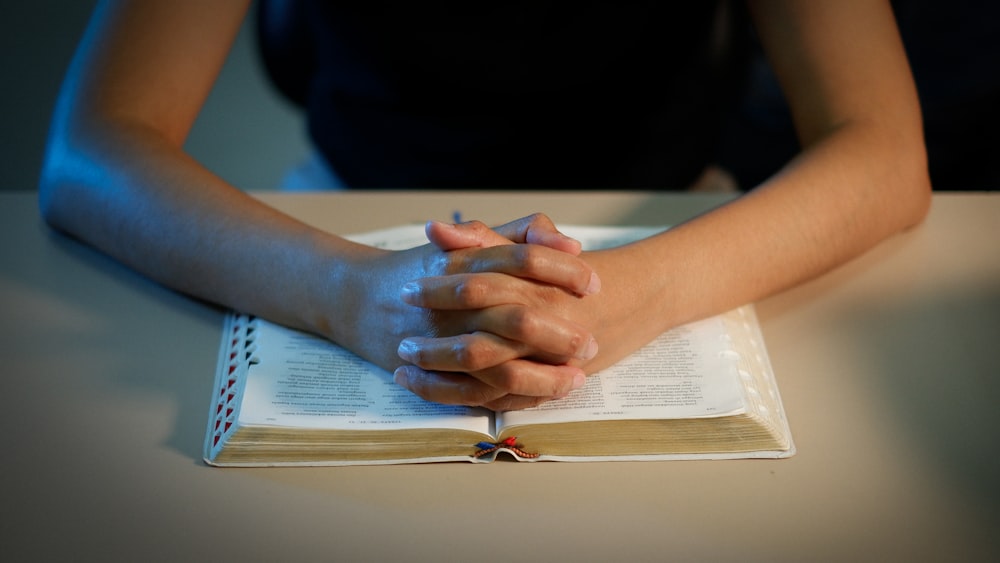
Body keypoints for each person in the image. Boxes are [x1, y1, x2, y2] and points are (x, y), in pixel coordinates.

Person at [39, 1, 931, 411]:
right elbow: (91, 148)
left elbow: (885, 150)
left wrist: (631, 292)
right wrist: (348, 294)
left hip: (669, 217)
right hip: (346, 219)